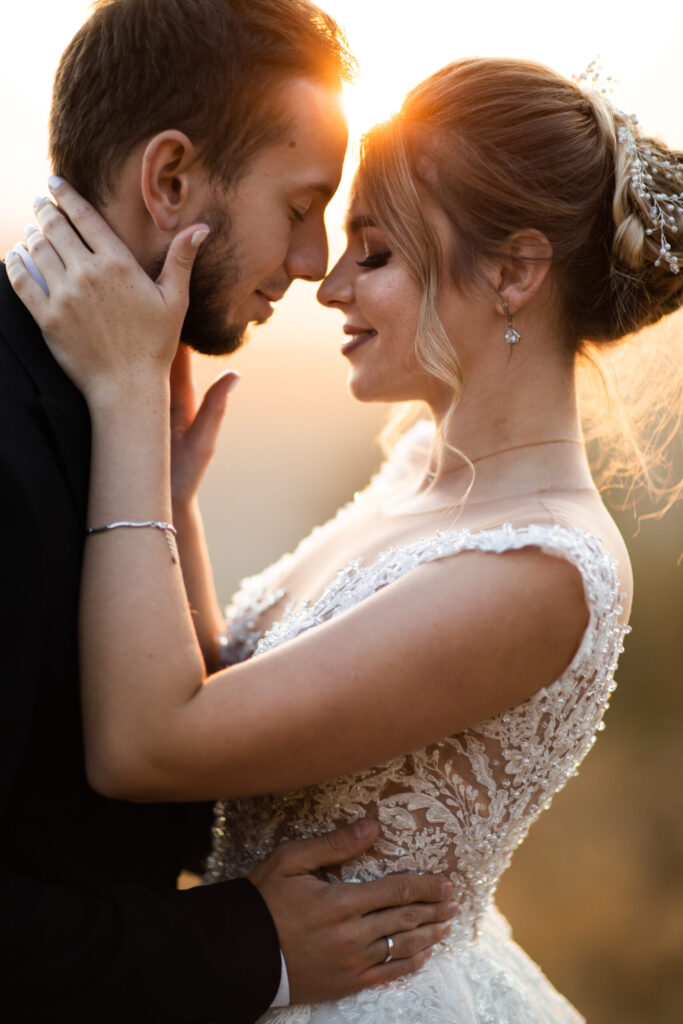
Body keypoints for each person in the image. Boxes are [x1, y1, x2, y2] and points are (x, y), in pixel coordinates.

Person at [9, 56, 683, 1022]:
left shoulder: (539, 571)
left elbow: (151, 745)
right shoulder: (421, 466)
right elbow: (228, 701)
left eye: (372, 253)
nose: (327, 287)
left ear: (513, 272)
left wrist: (123, 405)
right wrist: (175, 500)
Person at [0, 2, 456, 1022]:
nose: (309, 264)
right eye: (299, 207)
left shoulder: (114, 407)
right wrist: (243, 944)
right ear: (170, 181)